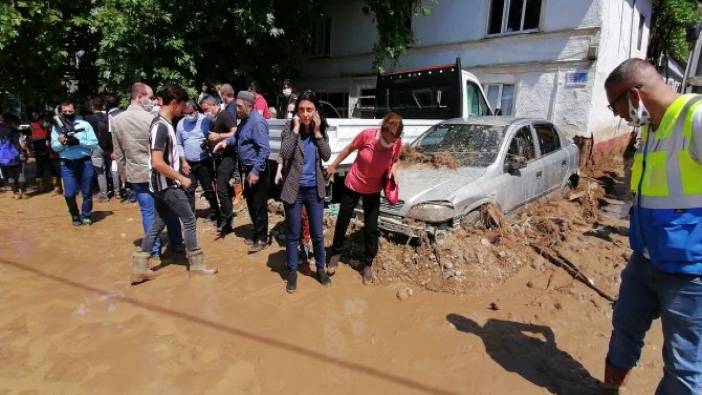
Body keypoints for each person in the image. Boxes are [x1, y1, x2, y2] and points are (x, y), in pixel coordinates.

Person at [603, 58, 702, 394]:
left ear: (633, 96)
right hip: (643, 259)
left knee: (684, 366)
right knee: (623, 330)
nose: (616, 116)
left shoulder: (696, 119)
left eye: (615, 106)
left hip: (690, 274)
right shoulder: (649, 128)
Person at [132, 83, 217, 283]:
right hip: (168, 185)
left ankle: (139, 266)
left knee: (158, 223)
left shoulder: (162, 124)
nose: (184, 109)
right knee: (188, 219)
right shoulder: (161, 126)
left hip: (161, 185)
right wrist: (181, 178)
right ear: (174, 103)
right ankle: (196, 265)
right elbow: (157, 162)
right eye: (182, 105)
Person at [325, 112, 403, 285]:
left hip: (373, 189)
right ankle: (335, 254)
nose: (389, 143)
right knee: (343, 221)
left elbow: (396, 160)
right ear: (381, 130)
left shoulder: (396, 144)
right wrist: (333, 165)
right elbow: (348, 149)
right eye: (386, 138)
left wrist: (393, 171)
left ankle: (367, 264)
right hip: (352, 184)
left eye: (392, 140)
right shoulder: (367, 136)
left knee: (371, 228)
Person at [112, 82, 183, 259]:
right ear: (139, 97)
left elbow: (118, 153)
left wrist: (124, 177)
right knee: (170, 209)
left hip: (136, 174)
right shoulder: (153, 119)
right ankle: (177, 244)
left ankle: (154, 251)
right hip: (158, 173)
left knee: (148, 212)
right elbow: (164, 150)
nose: (153, 101)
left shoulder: (117, 120)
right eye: (150, 97)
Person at [278, 90, 332, 293]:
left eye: (309, 109)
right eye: (301, 109)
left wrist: (317, 132)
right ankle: (292, 271)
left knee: (317, 234)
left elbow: (326, 156)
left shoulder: (320, 129)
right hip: (294, 189)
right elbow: (284, 153)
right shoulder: (290, 127)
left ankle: (320, 268)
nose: (305, 113)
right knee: (293, 234)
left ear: (316, 111)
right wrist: (295, 129)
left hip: (314, 190)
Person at [214, 91, 270, 252]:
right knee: (251, 204)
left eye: (239, 106)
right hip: (247, 169)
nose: (236, 109)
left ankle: (261, 238)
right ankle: (257, 232)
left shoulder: (257, 122)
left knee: (258, 205)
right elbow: (237, 137)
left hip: (257, 170)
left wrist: (255, 172)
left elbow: (264, 150)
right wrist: (225, 142)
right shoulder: (245, 121)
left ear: (249, 106)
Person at [50, 102, 98, 225]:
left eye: (70, 112)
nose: (67, 114)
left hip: (85, 162)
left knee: (87, 192)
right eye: (64, 112)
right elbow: (54, 147)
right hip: (67, 164)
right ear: (60, 112)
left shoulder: (84, 124)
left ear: (75, 110)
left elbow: (94, 143)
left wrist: (79, 141)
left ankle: (86, 214)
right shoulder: (56, 128)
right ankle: (75, 214)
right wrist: (61, 142)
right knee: (69, 193)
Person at [201, 84, 238, 234]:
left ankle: (226, 220)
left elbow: (235, 132)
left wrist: (219, 137)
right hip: (218, 158)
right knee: (222, 188)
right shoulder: (216, 118)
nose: (205, 112)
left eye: (205, 109)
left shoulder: (225, 115)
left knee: (221, 189)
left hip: (227, 157)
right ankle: (227, 217)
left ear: (213, 105)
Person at [176, 100, 219, 220]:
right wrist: (183, 162)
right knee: (188, 189)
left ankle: (215, 211)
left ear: (196, 110)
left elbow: (216, 134)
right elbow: (179, 144)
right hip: (188, 163)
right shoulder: (180, 124)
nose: (188, 115)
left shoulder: (206, 120)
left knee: (208, 188)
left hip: (204, 161)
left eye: (190, 112)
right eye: (185, 113)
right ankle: (191, 214)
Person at [85, 96, 112, 201]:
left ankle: (104, 195)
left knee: (100, 172)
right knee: (113, 169)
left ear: (92, 106)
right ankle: (118, 191)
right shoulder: (108, 117)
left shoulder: (89, 119)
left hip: (96, 147)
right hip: (110, 146)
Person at [0, 113, 25, 199]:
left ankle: (15, 193)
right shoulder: (16, 130)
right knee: (20, 173)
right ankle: (22, 192)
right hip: (17, 154)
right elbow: (22, 143)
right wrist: (27, 151)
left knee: (10, 174)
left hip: (4, 157)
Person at [29, 113, 54, 192]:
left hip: (43, 150)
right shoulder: (36, 127)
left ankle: (45, 185)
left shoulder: (39, 127)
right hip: (41, 150)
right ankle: (42, 185)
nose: (43, 121)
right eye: (43, 119)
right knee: (44, 167)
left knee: (45, 167)